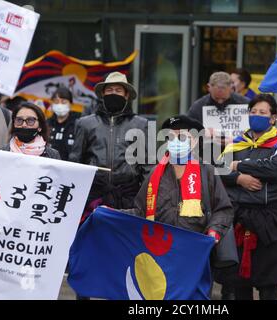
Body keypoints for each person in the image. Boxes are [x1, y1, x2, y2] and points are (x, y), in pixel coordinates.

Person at [127, 116, 234, 300]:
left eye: (183, 137)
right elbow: (139, 211)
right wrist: (110, 213)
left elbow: (223, 209)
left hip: (195, 254)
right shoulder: (155, 173)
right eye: (172, 137)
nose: (177, 141)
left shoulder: (207, 171)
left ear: (194, 141)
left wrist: (214, 232)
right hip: (161, 255)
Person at [219, 94, 277, 300]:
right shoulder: (236, 143)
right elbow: (218, 170)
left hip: (269, 220)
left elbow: (274, 169)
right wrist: (239, 179)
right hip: (239, 217)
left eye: (262, 113)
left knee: (267, 282)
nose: (257, 116)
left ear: (273, 118)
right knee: (239, 283)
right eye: (253, 112)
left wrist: (238, 165)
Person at [69, 71, 152, 222]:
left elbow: (147, 166)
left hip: (128, 198)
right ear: (102, 94)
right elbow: (75, 162)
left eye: (118, 90)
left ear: (126, 95)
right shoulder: (85, 124)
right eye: (109, 90)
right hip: (93, 197)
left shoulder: (142, 124)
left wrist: (147, 200)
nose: (114, 93)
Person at [47, 87, 81, 161]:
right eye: (56, 102)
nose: (59, 105)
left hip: (70, 167)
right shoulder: (47, 123)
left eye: (63, 102)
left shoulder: (79, 124)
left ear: (70, 104)